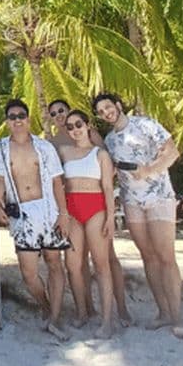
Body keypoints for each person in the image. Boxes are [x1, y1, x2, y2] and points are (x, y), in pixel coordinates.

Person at [93, 92, 183, 340]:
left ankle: (177, 318)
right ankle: (163, 312)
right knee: (148, 257)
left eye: (108, 107)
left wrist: (149, 170)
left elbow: (172, 152)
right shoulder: (109, 140)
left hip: (159, 195)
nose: (106, 113)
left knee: (166, 256)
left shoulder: (145, 123)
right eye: (101, 112)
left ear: (117, 105)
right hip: (131, 201)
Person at [0, 98, 72, 342]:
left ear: (28, 119)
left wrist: (63, 214)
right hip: (23, 215)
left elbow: (58, 181)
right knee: (28, 272)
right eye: (12, 117)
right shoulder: (0, 148)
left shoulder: (44, 147)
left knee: (54, 262)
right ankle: (46, 305)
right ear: (7, 122)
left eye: (21, 116)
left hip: (48, 211)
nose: (17, 120)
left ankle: (55, 317)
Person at [59, 110, 116, 338]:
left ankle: (106, 320)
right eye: (70, 127)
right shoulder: (63, 152)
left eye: (78, 124)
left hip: (96, 209)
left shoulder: (100, 154)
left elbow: (108, 187)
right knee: (73, 265)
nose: (75, 129)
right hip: (71, 210)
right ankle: (83, 313)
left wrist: (111, 217)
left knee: (101, 265)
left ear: (88, 124)